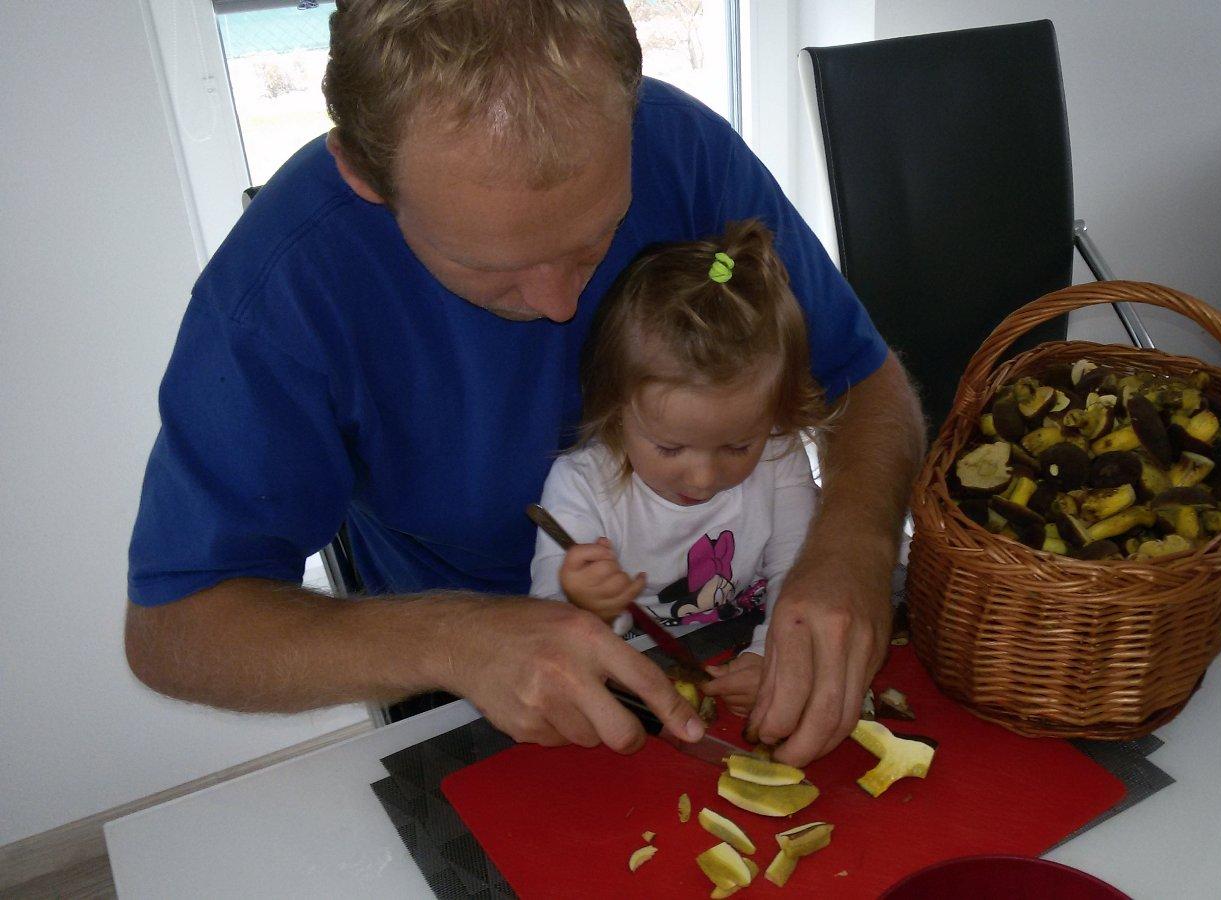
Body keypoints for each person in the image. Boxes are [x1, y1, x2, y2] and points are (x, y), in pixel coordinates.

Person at [123, 0, 923, 766]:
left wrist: (851, 551)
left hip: (725, 626)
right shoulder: (282, 292)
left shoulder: (682, 148)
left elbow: (865, 384)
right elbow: (176, 628)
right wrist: (456, 638)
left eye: (597, 236)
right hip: (467, 687)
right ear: (363, 174)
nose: (560, 303)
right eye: (487, 265)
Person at [531, 219, 824, 716]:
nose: (703, 479)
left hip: (745, 640)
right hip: (631, 677)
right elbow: (546, 632)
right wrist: (585, 605)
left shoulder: (778, 451)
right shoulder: (582, 486)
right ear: (616, 411)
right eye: (670, 448)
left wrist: (769, 655)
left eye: (738, 446)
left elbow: (799, 571)